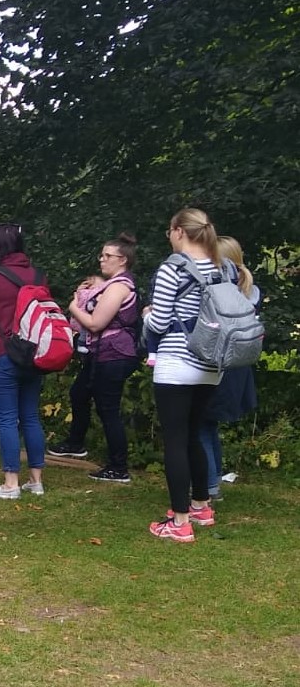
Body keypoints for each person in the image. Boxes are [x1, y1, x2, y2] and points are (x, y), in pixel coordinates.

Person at [143, 208, 225, 541]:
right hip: (211, 364)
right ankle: (201, 506)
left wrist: (147, 316)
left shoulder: (172, 268)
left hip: (177, 362)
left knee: (175, 441)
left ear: (179, 232)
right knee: (194, 435)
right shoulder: (224, 268)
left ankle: (178, 523)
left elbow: (160, 323)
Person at [53, 234, 141, 482]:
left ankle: (118, 467)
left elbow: (95, 323)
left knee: (108, 409)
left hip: (114, 353)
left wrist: (72, 306)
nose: (101, 259)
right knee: (79, 393)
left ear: (122, 260)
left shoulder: (119, 287)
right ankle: (75, 443)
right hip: (100, 352)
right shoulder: (111, 283)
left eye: (107, 256)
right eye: (101, 254)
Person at [0, 224, 50, 499]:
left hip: (3, 354)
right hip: (33, 354)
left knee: (7, 420)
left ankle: (10, 483)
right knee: (30, 416)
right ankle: (36, 480)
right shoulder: (38, 275)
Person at [201, 236, 260, 499]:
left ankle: (209, 485)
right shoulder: (249, 291)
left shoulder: (225, 293)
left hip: (220, 365)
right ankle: (212, 479)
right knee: (208, 424)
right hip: (237, 366)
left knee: (200, 424)